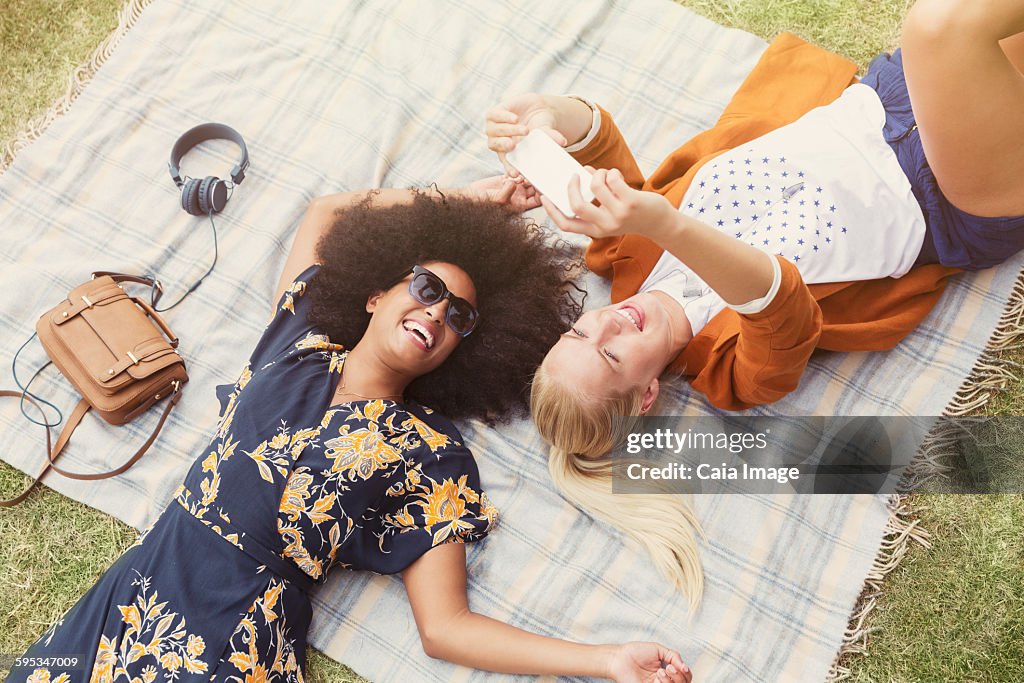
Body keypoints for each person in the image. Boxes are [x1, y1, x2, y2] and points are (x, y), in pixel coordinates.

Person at [8, 179, 693, 683]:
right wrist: (471, 203)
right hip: (135, 589)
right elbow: (325, 212)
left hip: (232, 642)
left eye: (461, 318)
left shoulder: (429, 453)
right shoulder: (296, 339)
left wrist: (605, 660)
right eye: (427, 288)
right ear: (374, 294)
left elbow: (446, 627)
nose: (441, 312)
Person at [484, 0, 1024, 604]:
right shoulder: (735, 375)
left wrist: (548, 115)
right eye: (612, 357)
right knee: (941, 23)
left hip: (885, 101)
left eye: (580, 334)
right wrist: (667, 225)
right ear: (645, 393)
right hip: (945, 197)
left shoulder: (620, 254)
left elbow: (596, 138)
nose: (608, 325)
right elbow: (779, 301)